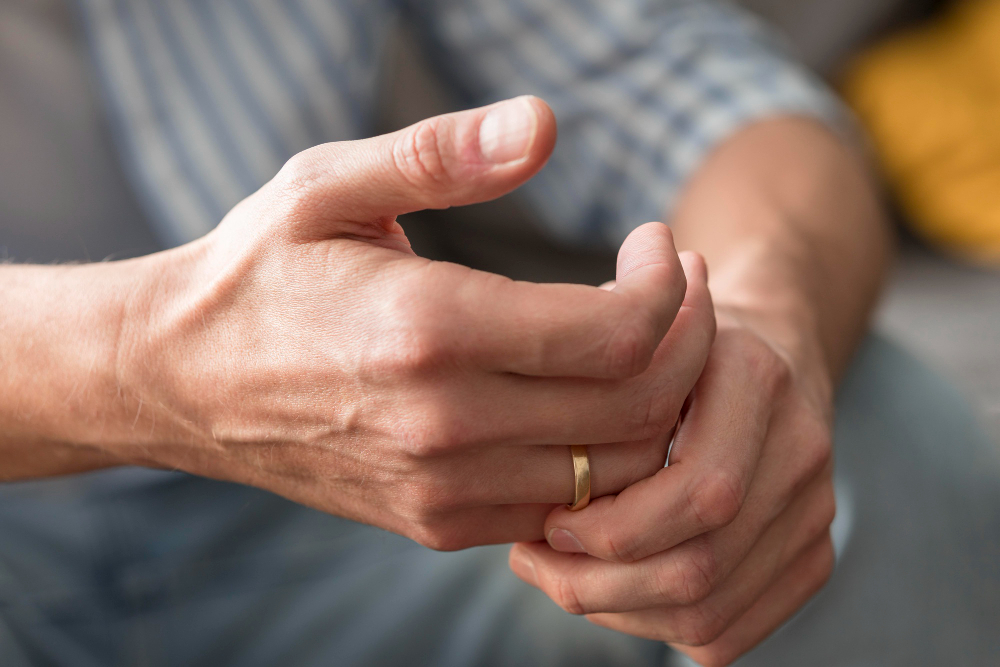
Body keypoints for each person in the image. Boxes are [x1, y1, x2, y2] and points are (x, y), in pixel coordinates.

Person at [1, 1, 998, 666]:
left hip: (342, 521)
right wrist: (143, 362)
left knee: (868, 431)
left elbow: (695, 83)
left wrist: (757, 324)